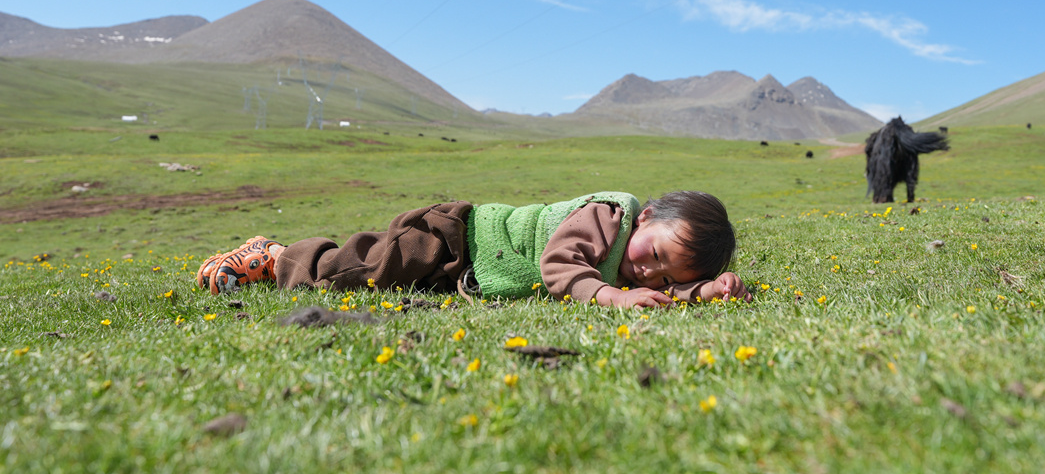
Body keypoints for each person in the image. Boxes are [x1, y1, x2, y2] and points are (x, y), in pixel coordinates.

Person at [196, 190, 749, 308]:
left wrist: (705, 289)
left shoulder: (647, 264)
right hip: (455, 236)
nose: (645, 271)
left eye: (662, 274)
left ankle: (276, 257)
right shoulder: (606, 219)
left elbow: (666, 284)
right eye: (653, 252)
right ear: (645, 219)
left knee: (400, 285)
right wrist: (613, 298)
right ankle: (275, 257)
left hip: (466, 274)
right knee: (368, 269)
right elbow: (559, 267)